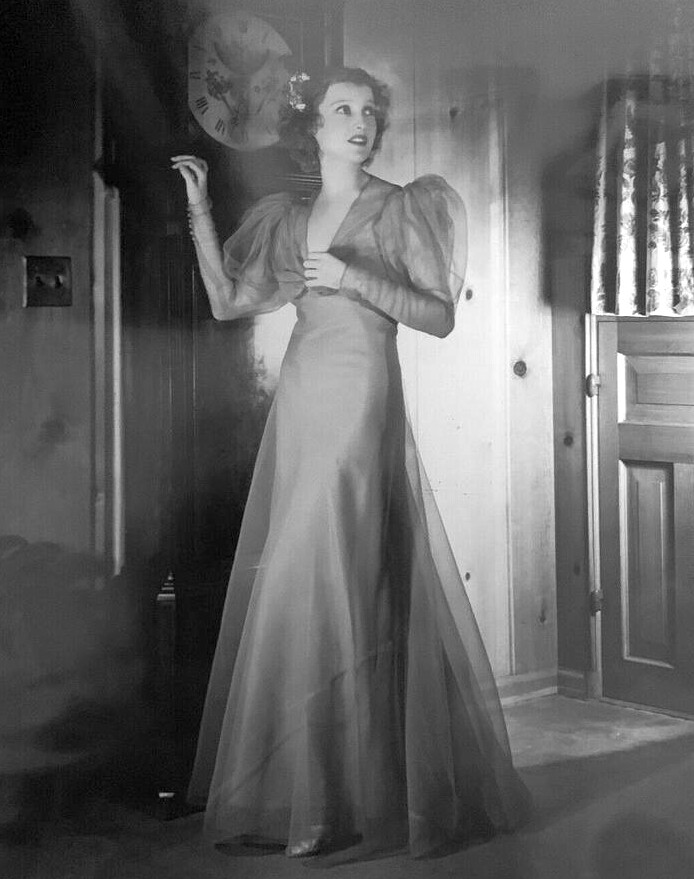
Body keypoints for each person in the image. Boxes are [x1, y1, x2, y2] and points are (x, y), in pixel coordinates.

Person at [171, 66, 530, 860]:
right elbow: (229, 302)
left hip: (362, 393)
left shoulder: (401, 206)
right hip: (302, 397)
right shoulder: (288, 217)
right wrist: (199, 210)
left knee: (343, 575)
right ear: (315, 128)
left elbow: (438, 316)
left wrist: (354, 276)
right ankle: (312, 796)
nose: (360, 122)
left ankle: (341, 805)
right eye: (343, 110)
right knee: (299, 582)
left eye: (370, 111)